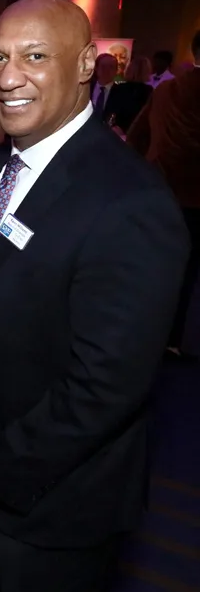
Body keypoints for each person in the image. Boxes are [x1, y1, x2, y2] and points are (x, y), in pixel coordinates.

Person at [0, 0, 188, 592]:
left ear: (84, 65)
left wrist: (0, 469)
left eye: (35, 57)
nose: (7, 77)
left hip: (51, 500)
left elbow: (109, 381)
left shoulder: (129, 198)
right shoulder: (2, 164)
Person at [127, 29, 200, 361]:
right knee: (187, 272)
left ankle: (140, 332)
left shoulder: (167, 90)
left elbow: (136, 136)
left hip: (159, 191)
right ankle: (172, 339)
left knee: (150, 264)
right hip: (195, 198)